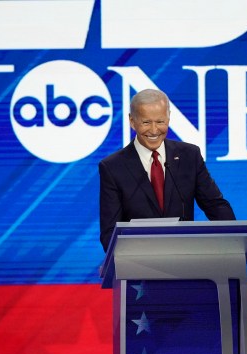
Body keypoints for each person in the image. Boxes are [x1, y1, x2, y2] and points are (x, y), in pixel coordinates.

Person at [98, 89, 236, 251]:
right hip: (138, 265)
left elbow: (215, 205)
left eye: (160, 121)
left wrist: (235, 242)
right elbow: (109, 232)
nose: (154, 130)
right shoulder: (113, 167)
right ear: (132, 121)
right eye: (146, 122)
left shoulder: (189, 156)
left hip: (186, 260)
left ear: (169, 117)